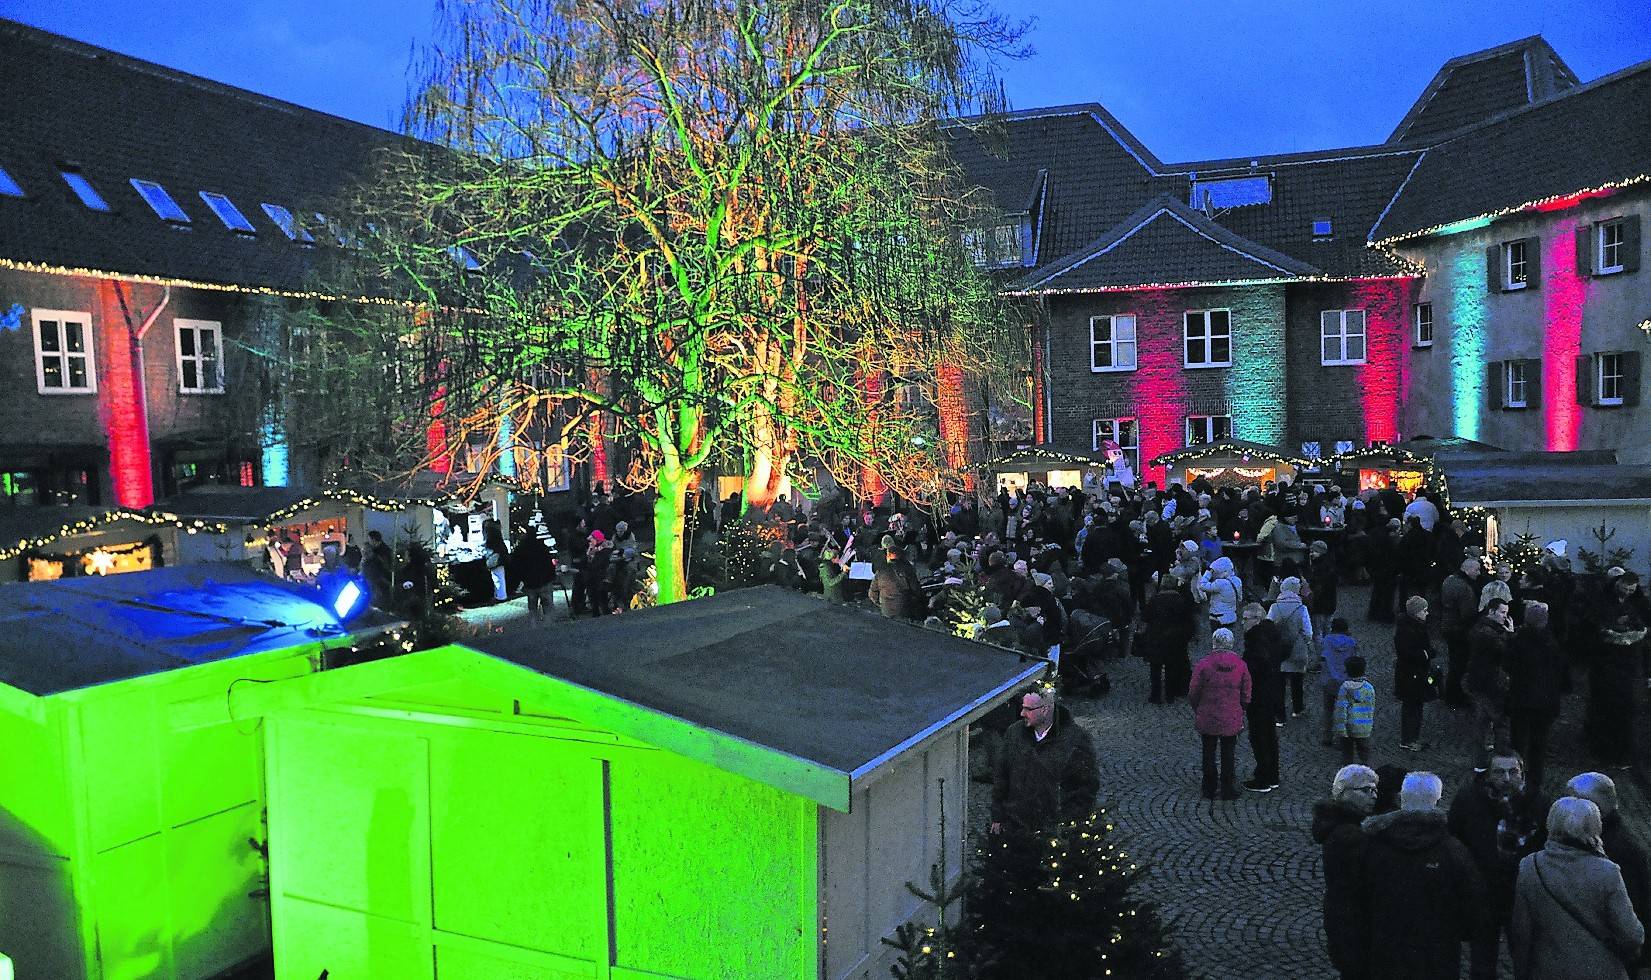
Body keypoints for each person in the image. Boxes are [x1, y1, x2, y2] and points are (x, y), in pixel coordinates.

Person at [1361, 771, 1487, 980]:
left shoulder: (1374, 843)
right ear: (1437, 801)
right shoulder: (1453, 851)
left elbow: (1359, 896)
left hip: (1385, 952)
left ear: (1402, 798)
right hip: (1437, 956)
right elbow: (1474, 907)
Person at [1510, 796, 1644, 980]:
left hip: (1547, 971)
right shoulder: (1607, 871)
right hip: (1601, 972)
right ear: (1594, 827)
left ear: (1551, 823)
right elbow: (1631, 935)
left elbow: (1521, 932)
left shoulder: (1529, 867)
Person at [1449, 750, 1550, 980]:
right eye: (1499, 772)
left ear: (1522, 773)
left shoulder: (1539, 802)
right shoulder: (1468, 799)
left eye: (1513, 772)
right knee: (1482, 961)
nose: (1506, 778)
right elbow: (1454, 839)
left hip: (1523, 892)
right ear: (1488, 775)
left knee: (1526, 958)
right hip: (1483, 891)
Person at [1569, 771, 1651, 975]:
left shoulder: (1615, 849)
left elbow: (1629, 910)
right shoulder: (1610, 838)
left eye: (1573, 801)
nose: (1567, 808)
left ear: (1594, 806)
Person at [989, 686, 1100, 834]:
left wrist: (1070, 823)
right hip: (1016, 827)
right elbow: (1002, 777)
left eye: (1028, 709)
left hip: (1055, 831)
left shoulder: (1076, 740)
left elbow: (1086, 785)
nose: (1022, 713)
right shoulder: (1014, 734)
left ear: (1045, 710)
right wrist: (998, 815)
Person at [1312, 764, 1378, 980]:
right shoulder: (1351, 837)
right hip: (1353, 923)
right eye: (1366, 790)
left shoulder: (1339, 826)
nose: (1373, 796)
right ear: (1344, 792)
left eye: (1375, 790)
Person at [1506, 602, 1564, 790]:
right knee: (1539, 742)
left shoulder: (1518, 641)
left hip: (1521, 699)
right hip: (1545, 701)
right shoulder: (1552, 643)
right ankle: (1536, 778)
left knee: (1518, 739)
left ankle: (1516, 774)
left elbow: (1509, 665)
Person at [1188, 627, 1250, 801]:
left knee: (1208, 753)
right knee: (1228, 753)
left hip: (1208, 715)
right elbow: (1246, 693)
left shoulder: (1204, 664)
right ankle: (1227, 788)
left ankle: (1208, 787)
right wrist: (1241, 709)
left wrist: (1198, 708)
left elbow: (1193, 691)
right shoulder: (1241, 665)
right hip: (1231, 716)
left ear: (1214, 642)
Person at [1467, 597, 1516, 772]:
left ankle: (1480, 761)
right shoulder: (1487, 633)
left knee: (1482, 722)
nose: (1505, 616)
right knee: (1497, 723)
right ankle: (1493, 760)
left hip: (1481, 681)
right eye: (1503, 612)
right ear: (1492, 611)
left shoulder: (1484, 628)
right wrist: (1510, 634)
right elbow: (1505, 652)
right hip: (1490, 684)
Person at [1241, 602, 1285, 792]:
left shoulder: (1256, 639)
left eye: (1246, 619)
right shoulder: (1272, 635)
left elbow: (1256, 665)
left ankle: (1263, 777)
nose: (1243, 623)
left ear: (1257, 619)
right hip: (1273, 691)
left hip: (1259, 694)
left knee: (1259, 736)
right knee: (1269, 736)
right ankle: (1272, 775)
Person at [1141, 567, 1195, 705]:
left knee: (1155, 669)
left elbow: (1146, 618)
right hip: (1174, 639)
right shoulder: (1180, 601)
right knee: (1172, 668)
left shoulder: (1154, 600)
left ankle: (1155, 695)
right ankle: (1170, 694)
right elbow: (1188, 621)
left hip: (1156, 638)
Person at [1268, 576, 1314, 721]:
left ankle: (1280, 716)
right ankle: (1297, 709)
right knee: (1297, 682)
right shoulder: (1302, 608)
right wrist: (1305, 643)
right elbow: (1308, 632)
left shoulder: (1274, 607)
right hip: (1297, 650)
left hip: (1278, 651)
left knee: (1279, 685)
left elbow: (1268, 628)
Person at [1396, 595, 1437, 751]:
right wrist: (1427, 654)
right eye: (1424, 610)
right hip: (1411, 674)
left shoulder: (1413, 626)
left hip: (1414, 674)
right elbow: (1407, 652)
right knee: (1412, 707)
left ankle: (1412, 737)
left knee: (1414, 706)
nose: (1427, 613)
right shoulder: (1409, 630)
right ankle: (1408, 739)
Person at [1441, 558, 1483, 708]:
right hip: (1459, 629)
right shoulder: (1465, 587)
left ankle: (1451, 693)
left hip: (1448, 625)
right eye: (1476, 569)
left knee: (1454, 662)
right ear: (1467, 569)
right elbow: (1468, 613)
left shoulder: (1450, 579)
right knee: (1459, 664)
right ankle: (1454, 695)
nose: (1479, 573)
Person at [1320, 616, 1359, 747]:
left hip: (1329, 680)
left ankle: (1327, 736)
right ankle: (1341, 738)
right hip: (1346, 680)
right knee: (1344, 711)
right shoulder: (1351, 642)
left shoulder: (1326, 640)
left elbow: (1322, 657)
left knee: (1328, 709)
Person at [1333, 656, 1375, 764]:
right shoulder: (1369, 688)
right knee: (1365, 754)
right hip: (1364, 727)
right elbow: (1371, 707)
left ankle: (1347, 773)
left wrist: (1340, 729)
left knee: (1347, 755)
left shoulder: (1344, 688)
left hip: (1348, 727)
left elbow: (1341, 710)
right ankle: (1367, 772)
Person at [868, 540, 924, 620]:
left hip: (886, 610)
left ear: (888, 556)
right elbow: (917, 590)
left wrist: (882, 604)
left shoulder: (880, 571)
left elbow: (872, 594)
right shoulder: (907, 569)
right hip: (904, 610)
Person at [510, 530, 557, 625]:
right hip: (545, 581)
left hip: (530, 583)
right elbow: (549, 563)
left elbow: (515, 568)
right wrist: (552, 576)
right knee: (548, 608)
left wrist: (519, 581)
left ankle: (534, 631)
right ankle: (550, 629)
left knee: (532, 609)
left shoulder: (520, 550)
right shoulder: (541, 547)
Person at [363, 529, 394, 608]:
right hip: (377, 580)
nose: (369, 542)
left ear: (373, 540)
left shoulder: (382, 552)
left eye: (369, 539)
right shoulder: (376, 550)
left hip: (381, 580)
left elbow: (384, 567)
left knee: (382, 601)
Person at [482, 519, 510, 602]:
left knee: (497, 578)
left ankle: (500, 596)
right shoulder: (497, 536)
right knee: (499, 577)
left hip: (496, 558)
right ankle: (500, 595)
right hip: (499, 557)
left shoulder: (490, 537)